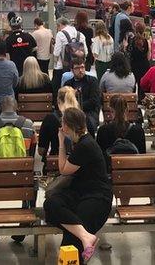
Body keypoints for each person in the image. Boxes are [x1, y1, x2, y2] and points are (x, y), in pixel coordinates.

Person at [43, 107, 112, 261]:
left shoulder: (85, 145)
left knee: (71, 240)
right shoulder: (81, 142)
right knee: (51, 204)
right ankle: (87, 237)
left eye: (62, 123)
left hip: (97, 197)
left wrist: (60, 142)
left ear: (66, 126)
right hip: (81, 193)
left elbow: (63, 169)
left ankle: (84, 239)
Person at [38, 86, 87, 159]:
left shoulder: (50, 119)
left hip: (56, 163)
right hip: (80, 163)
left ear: (58, 101)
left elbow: (41, 150)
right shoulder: (84, 118)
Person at [63, 57, 102, 129]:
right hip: (72, 114)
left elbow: (94, 101)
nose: (80, 70)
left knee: (85, 123)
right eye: (77, 68)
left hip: (90, 114)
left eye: (82, 67)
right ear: (72, 70)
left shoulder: (92, 81)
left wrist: (77, 106)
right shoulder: (68, 84)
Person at [52, 17, 86, 96]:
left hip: (63, 67)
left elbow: (56, 53)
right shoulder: (80, 34)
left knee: (61, 89)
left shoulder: (60, 34)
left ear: (60, 25)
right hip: (78, 67)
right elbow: (86, 52)